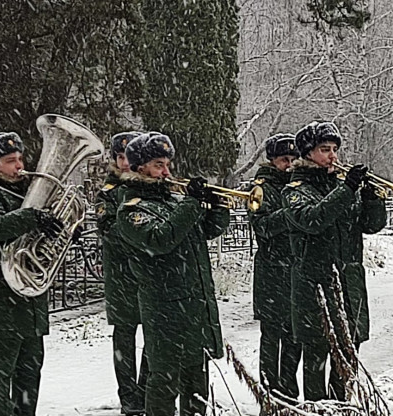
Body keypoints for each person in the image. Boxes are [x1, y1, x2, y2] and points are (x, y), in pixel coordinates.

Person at [116, 132, 229, 416]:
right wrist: (191, 204)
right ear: (139, 167)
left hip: (192, 308)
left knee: (196, 385)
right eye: (158, 165)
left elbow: (205, 231)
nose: (167, 172)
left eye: (167, 164)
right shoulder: (132, 210)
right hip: (164, 310)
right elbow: (159, 240)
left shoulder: (173, 202)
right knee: (164, 384)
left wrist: (218, 206)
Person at [282, 121, 387, 401]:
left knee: (348, 359)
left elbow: (371, 225)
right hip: (314, 287)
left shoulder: (344, 190)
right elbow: (314, 219)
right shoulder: (294, 190)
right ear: (308, 154)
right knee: (316, 360)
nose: (333, 156)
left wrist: (372, 199)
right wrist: (348, 189)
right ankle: (318, 408)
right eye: (324, 150)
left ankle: (342, 407)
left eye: (335, 150)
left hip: (350, 285)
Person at [0, 132, 63, 416]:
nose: (19, 165)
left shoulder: (29, 191)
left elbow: (41, 236)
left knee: (31, 367)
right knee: (3, 367)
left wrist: (64, 231)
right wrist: (31, 217)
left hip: (30, 298)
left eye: (20, 159)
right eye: (10, 161)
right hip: (2, 296)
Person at [95, 131, 148, 415]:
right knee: (124, 337)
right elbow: (110, 230)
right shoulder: (108, 193)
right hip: (122, 275)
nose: (126, 162)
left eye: (131, 157)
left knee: (154, 335)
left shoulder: (150, 188)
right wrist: (147, 236)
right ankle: (129, 396)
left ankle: (147, 390)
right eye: (120, 157)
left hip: (149, 275)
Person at [248, 134, 301, 401]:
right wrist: (290, 213)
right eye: (284, 160)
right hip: (271, 271)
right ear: (272, 161)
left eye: (293, 159)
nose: (290, 165)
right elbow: (262, 227)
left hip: (295, 270)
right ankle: (269, 396)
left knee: (295, 337)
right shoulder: (262, 188)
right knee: (271, 338)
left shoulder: (299, 184)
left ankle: (290, 395)